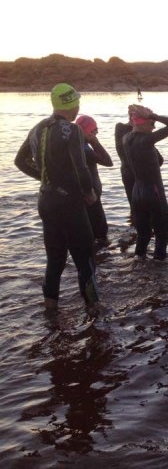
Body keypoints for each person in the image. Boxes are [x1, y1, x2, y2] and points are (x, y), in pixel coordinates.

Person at [14, 83, 102, 315]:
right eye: (77, 103)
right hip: (70, 203)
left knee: (55, 259)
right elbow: (81, 168)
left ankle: (51, 310)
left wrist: (45, 178)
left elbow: (20, 161)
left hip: (46, 200)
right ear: (72, 104)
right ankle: (93, 309)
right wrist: (89, 193)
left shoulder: (38, 128)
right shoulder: (72, 130)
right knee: (85, 259)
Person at [123, 104, 168, 260]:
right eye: (152, 123)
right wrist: (155, 116)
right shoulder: (146, 140)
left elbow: (158, 160)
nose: (154, 127)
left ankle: (138, 265)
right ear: (143, 122)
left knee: (143, 235)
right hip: (153, 192)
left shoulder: (126, 138)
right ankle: (161, 268)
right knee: (162, 233)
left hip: (137, 192)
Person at [76, 115, 114, 246]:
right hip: (91, 196)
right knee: (100, 232)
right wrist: (95, 143)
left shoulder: (76, 146)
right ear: (85, 131)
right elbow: (108, 162)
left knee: (87, 232)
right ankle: (99, 256)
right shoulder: (85, 150)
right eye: (93, 130)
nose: (96, 132)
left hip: (84, 195)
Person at [114, 118, 134, 223]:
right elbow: (160, 160)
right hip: (138, 175)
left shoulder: (120, 130)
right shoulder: (142, 138)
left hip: (126, 172)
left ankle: (134, 228)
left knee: (134, 209)